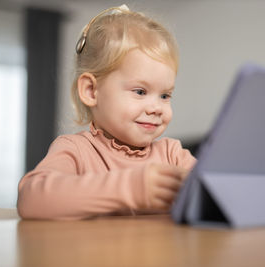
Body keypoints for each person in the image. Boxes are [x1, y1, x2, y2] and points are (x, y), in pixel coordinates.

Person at [17, 5, 196, 220]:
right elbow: (31, 199)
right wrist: (131, 188)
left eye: (165, 96)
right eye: (140, 91)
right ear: (91, 91)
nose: (156, 108)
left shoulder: (173, 154)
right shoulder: (76, 150)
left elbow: (215, 195)